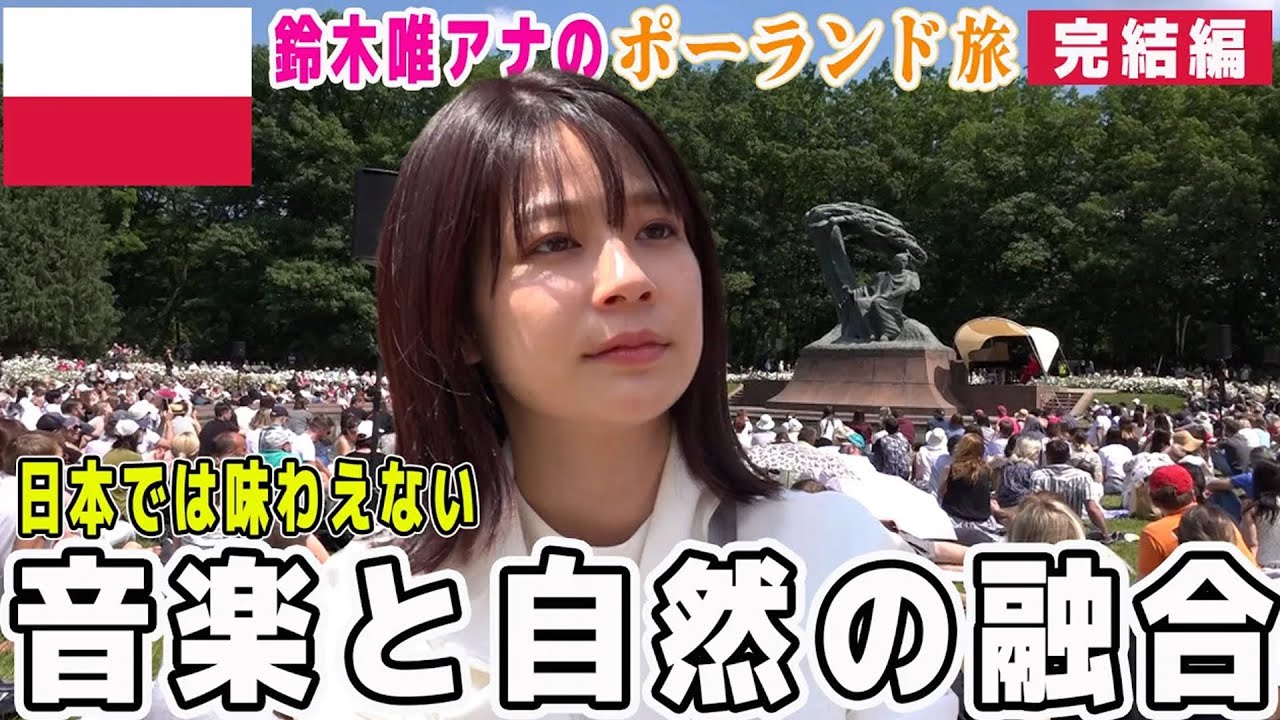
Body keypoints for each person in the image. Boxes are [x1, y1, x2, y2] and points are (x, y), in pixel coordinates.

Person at [318, 69, 957, 718]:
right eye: (555, 242)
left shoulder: (837, 560)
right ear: (459, 322)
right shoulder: (364, 614)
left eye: (656, 230)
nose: (628, 278)